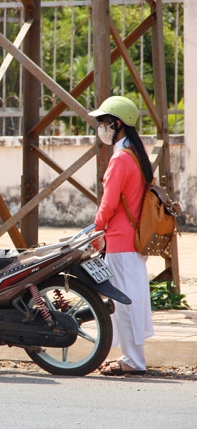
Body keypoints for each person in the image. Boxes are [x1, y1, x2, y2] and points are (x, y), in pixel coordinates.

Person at [89, 95, 154, 376]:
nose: (101, 129)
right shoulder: (137, 156)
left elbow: (110, 201)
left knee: (125, 303)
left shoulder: (120, 159)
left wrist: (96, 229)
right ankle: (132, 357)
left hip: (120, 241)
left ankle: (133, 362)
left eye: (104, 123)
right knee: (132, 300)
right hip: (134, 240)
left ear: (117, 124)